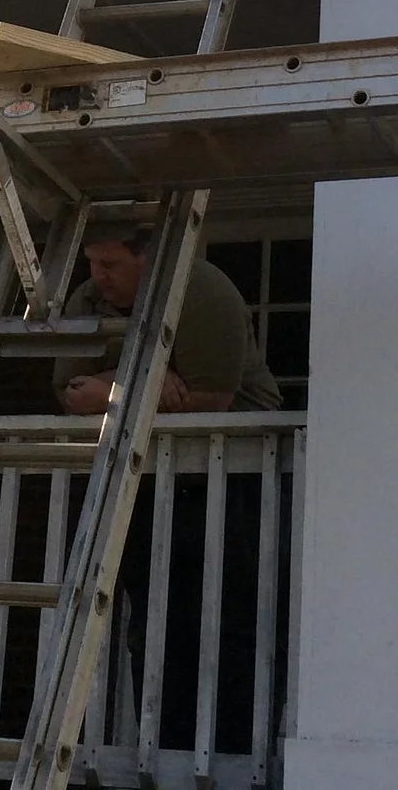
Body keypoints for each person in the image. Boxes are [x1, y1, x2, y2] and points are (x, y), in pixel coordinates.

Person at [51, 221, 282, 756]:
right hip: (142, 476)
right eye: (92, 262)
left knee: (224, 621)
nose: (97, 277)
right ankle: (163, 749)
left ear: (148, 260)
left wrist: (115, 387)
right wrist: (142, 389)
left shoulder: (202, 291)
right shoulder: (89, 297)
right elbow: (69, 389)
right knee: (150, 620)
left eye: (110, 265)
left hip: (229, 479)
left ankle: (229, 753)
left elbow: (212, 400)